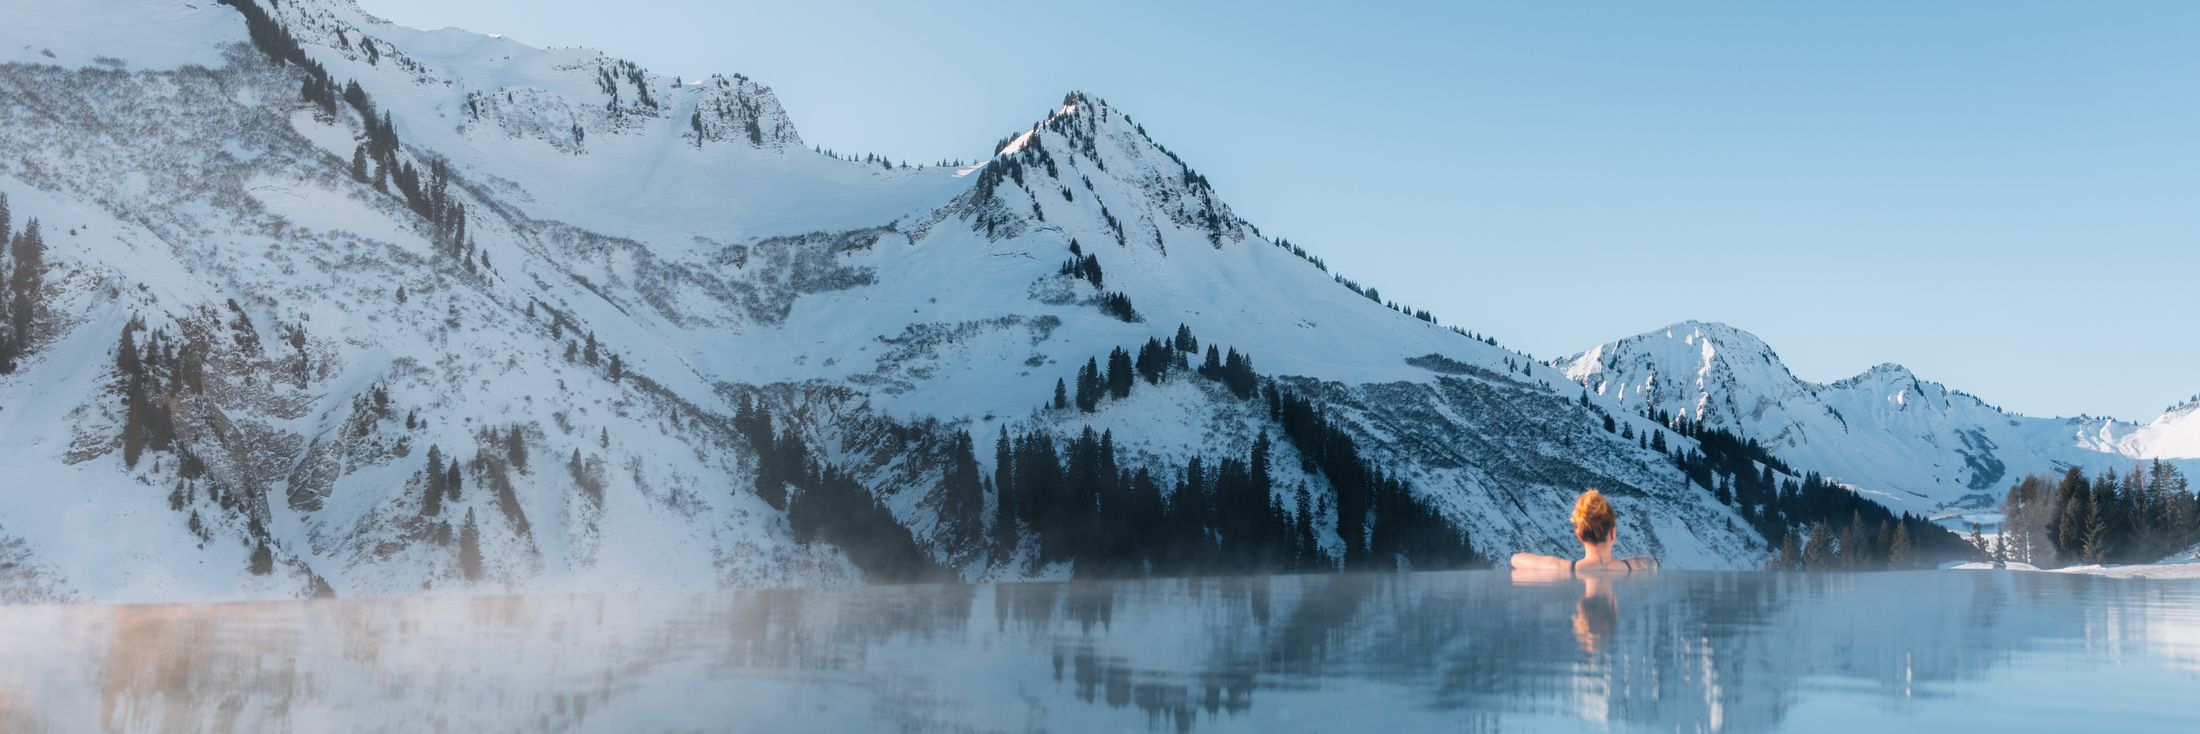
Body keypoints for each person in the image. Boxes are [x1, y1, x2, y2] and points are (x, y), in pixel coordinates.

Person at [1510, 489, 1659, 575]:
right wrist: (1627, 564)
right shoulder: (1633, 569)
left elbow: (1516, 559)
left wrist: (1554, 564)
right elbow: (1651, 562)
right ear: (1613, 533)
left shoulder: (1561, 569)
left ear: (1579, 535)